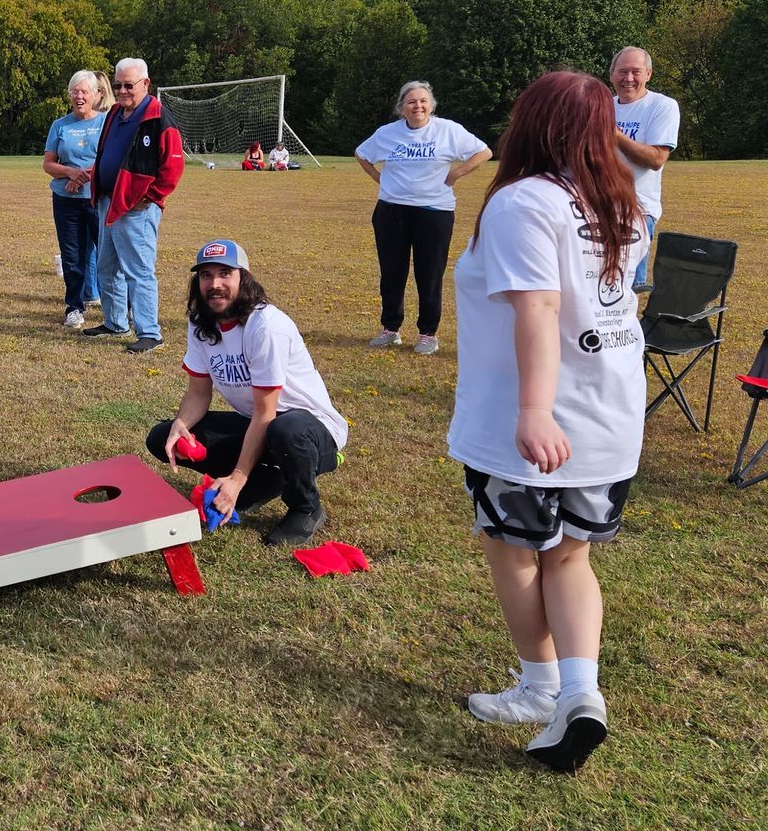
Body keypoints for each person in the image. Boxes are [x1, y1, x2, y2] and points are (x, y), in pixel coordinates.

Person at [447, 69, 647, 775]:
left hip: (529, 425)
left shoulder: (523, 203)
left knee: (511, 548)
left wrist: (533, 411)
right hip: (611, 418)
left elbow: (538, 306)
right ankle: (580, 694)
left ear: (529, 122)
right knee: (570, 555)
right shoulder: (617, 199)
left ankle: (541, 687)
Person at [146, 239, 348, 547]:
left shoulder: (265, 326)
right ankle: (268, 478)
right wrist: (180, 425)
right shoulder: (201, 322)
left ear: (244, 277)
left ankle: (306, 506)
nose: (215, 284)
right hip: (259, 423)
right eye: (205, 275)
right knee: (162, 438)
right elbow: (199, 394)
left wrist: (237, 478)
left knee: (286, 429)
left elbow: (267, 413)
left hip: (309, 429)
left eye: (225, 273)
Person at [355, 80, 492, 355]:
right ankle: (390, 329)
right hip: (392, 211)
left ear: (430, 105)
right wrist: (379, 179)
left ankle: (428, 334)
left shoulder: (448, 130)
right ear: (401, 108)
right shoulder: (387, 133)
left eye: (423, 101)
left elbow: (484, 152)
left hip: (434, 212)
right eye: (412, 102)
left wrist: (456, 173)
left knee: (429, 274)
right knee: (392, 272)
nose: (418, 106)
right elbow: (362, 154)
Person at [84, 57, 185, 354]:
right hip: (108, 202)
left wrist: (149, 197)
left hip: (137, 209)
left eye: (129, 85)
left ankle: (150, 332)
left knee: (138, 271)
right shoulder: (115, 112)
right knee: (106, 267)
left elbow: (173, 169)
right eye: (118, 85)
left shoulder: (159, 118)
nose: (123, 90)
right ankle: (115, 322)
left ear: (145, 84)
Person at [607, 46, 679, 291]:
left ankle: (628, 331)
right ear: (611, 76)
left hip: (636, 211)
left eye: (635, 72)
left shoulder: (662, 106)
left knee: (628, 290)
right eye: (622, 72)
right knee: (596, 284)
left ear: (648, 74)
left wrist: (614, 135)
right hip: (596, 209)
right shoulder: (602, 105)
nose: (628, 78)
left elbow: (657, 158)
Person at [43, 69, 107, 328]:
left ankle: (117, 307)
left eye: (84, 92)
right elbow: (48, 164)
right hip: (65, 199)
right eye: (75, 92)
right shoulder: (60, 125)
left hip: (97, 198)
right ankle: (74, 307)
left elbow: (110, 159)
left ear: (95, 95)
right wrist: (70, 172)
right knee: (72, 256)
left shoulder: (105, 122)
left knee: (106, 254)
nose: (79, 96)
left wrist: (83, 176)